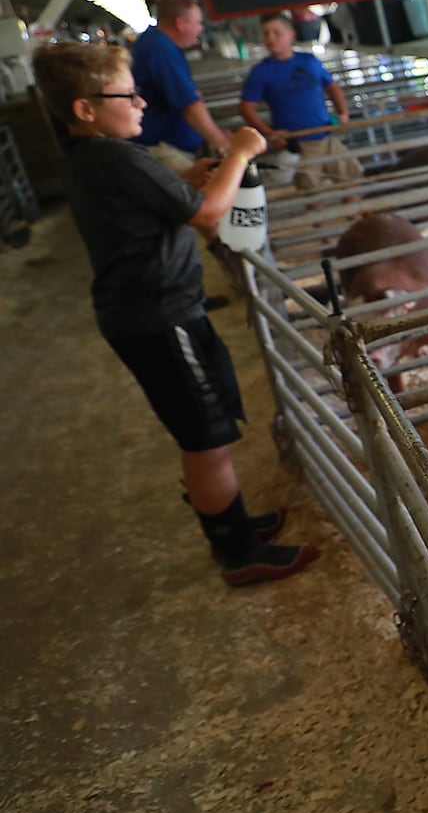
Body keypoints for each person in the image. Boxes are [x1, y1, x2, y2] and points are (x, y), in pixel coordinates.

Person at [31, 42, 319, 587]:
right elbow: (209, 215)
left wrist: (187, 179)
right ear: (85, 109)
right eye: (127, 94)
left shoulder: (89, 156)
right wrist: (238, 152)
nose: (142, 103)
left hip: (154, 310)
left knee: (205, 428)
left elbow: (155, 203)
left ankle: (231, 521)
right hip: (158, 315)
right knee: (205, 439)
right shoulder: (116, 156)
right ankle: (238, 552)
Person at [237, 11, 363, 195]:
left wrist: (343, 113)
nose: (271, 39)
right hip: (297, 142)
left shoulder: (309, 61)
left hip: (325, 135)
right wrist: (270, 133)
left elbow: (332, 87)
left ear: (291, 35)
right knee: (312, 194)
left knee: (352, 182)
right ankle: (320, 223)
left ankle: (354, 219)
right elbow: (246, 107)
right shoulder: (260, 72)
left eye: (276, 33)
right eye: (266, 34)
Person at [132, 0, 233, 173]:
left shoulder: (156, 43)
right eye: (198, 23)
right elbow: (190, 104)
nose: (200, 29)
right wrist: (224, 144)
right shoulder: (161, 49)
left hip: (169, 147)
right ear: (181, 23)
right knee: (201, 198)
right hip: (164, 150)